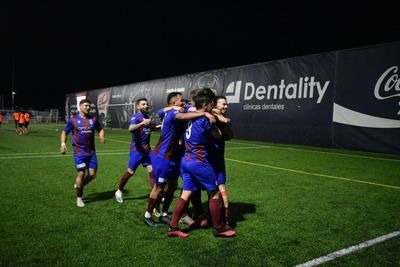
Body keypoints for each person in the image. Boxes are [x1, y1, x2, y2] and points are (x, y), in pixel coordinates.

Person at [167, 88, 236, 238]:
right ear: (205, 105)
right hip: (199, 162)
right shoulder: (205, 119)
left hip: (186, 161)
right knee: (215, 193)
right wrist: (220, 120)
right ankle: (219, 228)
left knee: (185, 194)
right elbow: (218, 135)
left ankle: (173, 227)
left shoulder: (190, 116)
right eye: (211, 104)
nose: (212, 106)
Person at [143, 91, 215, 227]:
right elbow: (181, 115)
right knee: (159, 188)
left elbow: (193, 108)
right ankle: (148, 214)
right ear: (173, 103)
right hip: (162, 157)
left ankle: (164, 213)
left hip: (174, 157)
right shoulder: (173, 113)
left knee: (172, 187)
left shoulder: (179, 109)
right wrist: (204, 113)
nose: (183, 103)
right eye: (181, 101)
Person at [60, 99, 105, 208]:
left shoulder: (93, 119)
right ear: (80, 107)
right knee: (81, 173)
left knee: (92, 175)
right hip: (79, 152)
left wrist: (101, 136)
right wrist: (62, 144)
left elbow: (101, 129)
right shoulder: (73, 120)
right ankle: (79, 198)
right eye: (86, 106)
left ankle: (79, 186)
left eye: (89, 106)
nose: (88, 108)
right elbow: (64, 132)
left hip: (92, 152)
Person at [115, 98, 154, 203]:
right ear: (138, 106)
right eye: (143, 104)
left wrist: (158, 126)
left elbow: (149, 128)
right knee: (130, 172)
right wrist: (142, 123)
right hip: (137, 150)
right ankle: (119, 191)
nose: (146, 106)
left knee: (152, 171)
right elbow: (131, 128)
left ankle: (156, 194)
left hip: (147, 150)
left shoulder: (147, 117)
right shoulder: (136, 116)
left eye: (147, 104)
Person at [211, 96, 234, 229]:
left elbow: (230, 135)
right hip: (204, 159)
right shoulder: (208, 116)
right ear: (214, 104)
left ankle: (225, 220)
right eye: (223, 104)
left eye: (226, 104)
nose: (226, 106)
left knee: (220, 188)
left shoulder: (220, 119)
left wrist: (224, 120)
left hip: (217, 159)